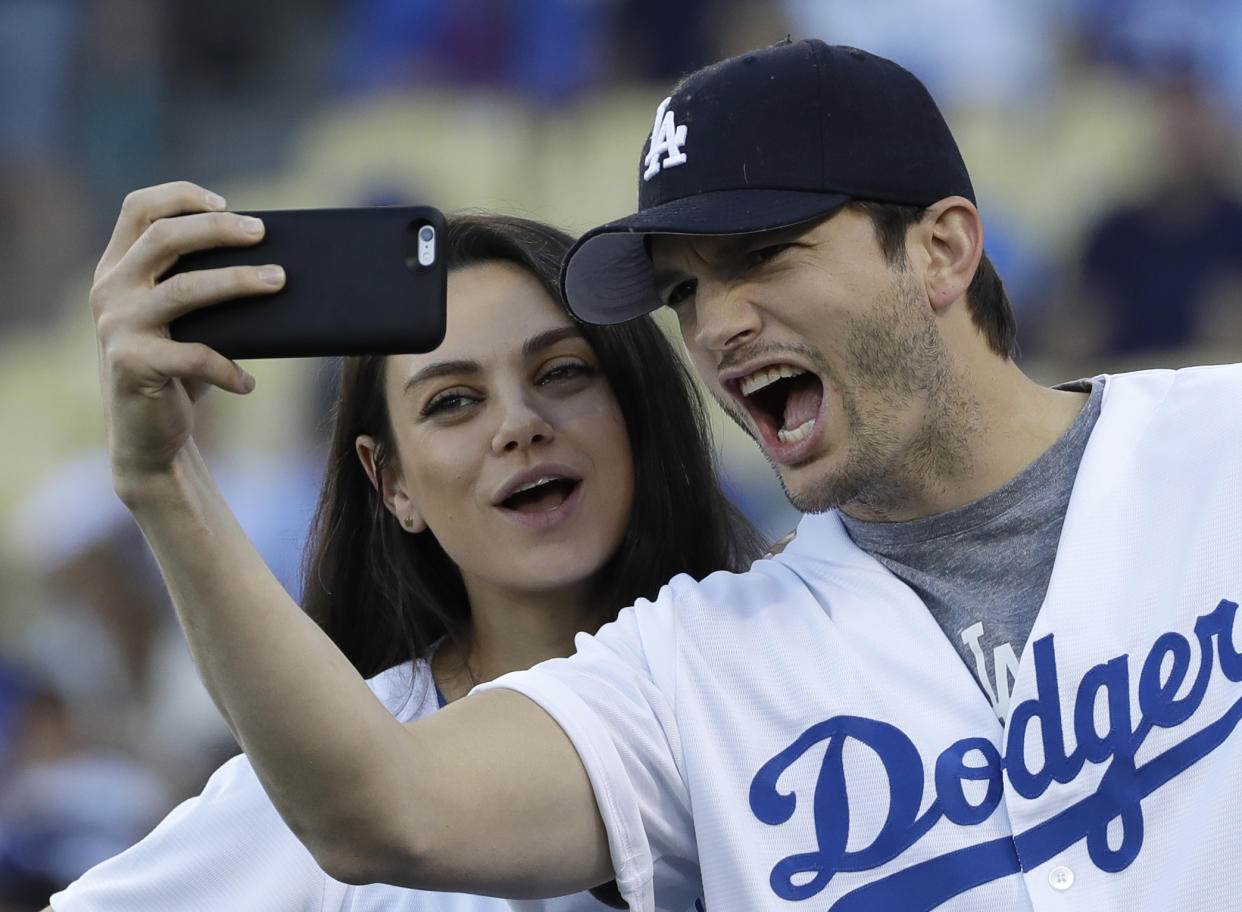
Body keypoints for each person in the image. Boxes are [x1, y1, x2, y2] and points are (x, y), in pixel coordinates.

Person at [89, 39, 1242, 911]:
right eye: (686, 290)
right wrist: (164, 482)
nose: (720, 323)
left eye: (763, 257)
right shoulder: (696, 661)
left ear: (941, 248)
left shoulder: (1221, 444)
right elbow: (382, 812)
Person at [57, 210, 762, 911]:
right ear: (391, 484)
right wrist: (159, 472)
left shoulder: (785, 655)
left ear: (637, 408)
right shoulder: (315, 782)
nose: (519, 424)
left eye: (564, 371)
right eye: (453, 402)